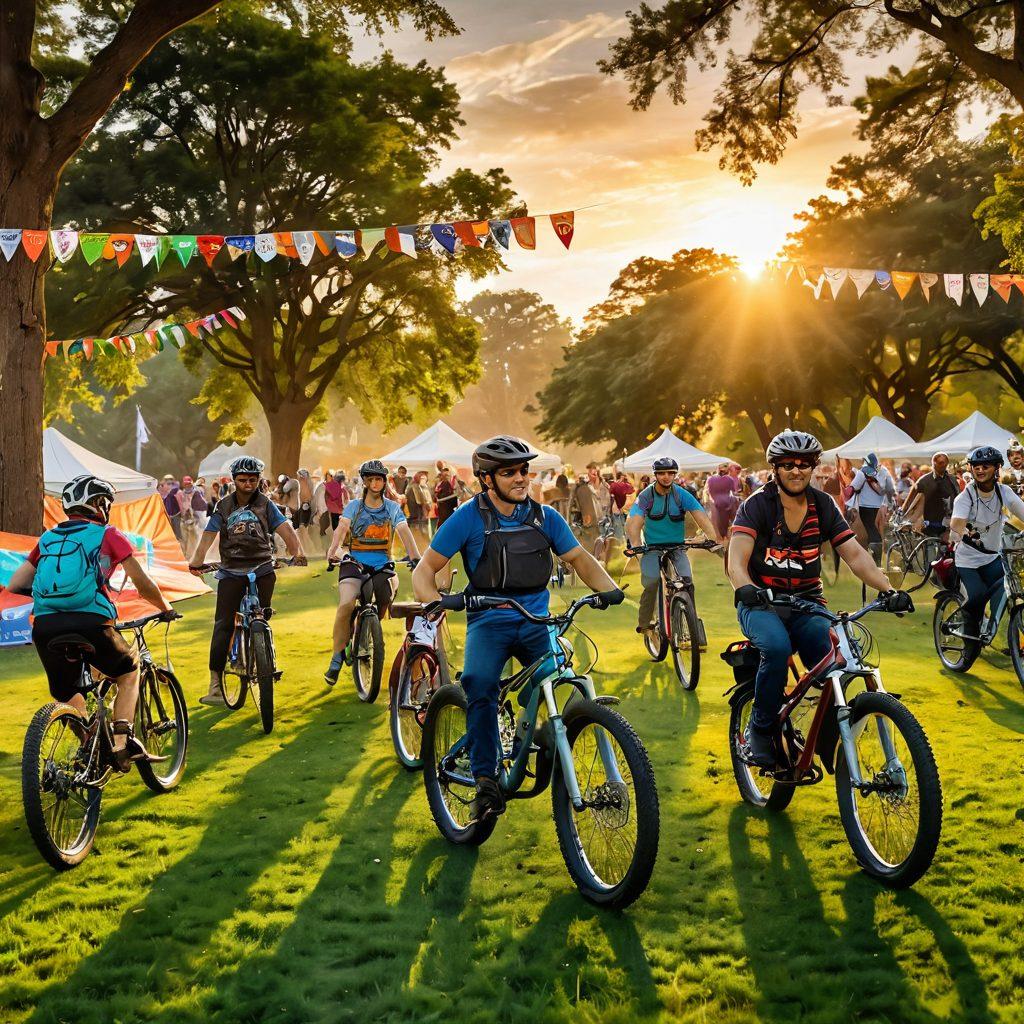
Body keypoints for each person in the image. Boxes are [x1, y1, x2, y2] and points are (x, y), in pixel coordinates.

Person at [412, 436, 624, 824]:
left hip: (536, 621)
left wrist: (609, 589)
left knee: (558, 675)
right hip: (488, 621)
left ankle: (535, 731)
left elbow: (579, 558)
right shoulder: (467, 518)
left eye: (524, 470)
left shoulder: (545, 517)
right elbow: (423, 571)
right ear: (486, 479)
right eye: (509, 472)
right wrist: (433, 602)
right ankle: (485, 782)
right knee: (479, 684)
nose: (521, 477)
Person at [728, 431, 909, 768]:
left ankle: (823, 731)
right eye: (788, 465)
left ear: (813, 467)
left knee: (836, 659)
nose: (796, 471)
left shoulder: (823, 505)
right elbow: (736, 562)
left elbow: (854, 553)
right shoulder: (756, 505)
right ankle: (760, 731)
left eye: (804, 464)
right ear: (775, 468)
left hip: (807, 603)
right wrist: (746, 588)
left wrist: (888, 590)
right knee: (777, 649)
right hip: (761, 603)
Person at [5, 475, 174, 770]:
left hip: (45, 626)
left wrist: (54, 598)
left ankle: (88, 744)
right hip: (92, 621)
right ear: (98, 504)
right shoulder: (108, 534)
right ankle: (121, 744)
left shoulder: (48, 538)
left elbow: (16, 584)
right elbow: (143, 582)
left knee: (67, 691)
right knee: (128, 671)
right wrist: (165, 607)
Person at [188, 456, 307, 707]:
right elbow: (209, 535)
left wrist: (298, 552)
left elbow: (285, 528)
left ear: (259, 480)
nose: (248, 484)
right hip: (231, 570)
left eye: (253, 480)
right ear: (234, 480)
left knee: (263, 613)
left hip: (262, 567)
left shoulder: (266, 504)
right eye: (243, 480)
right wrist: (196, 561)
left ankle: (263, 651)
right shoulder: (224, 506)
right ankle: (215, 685)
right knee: (223, 624)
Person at [323, 459, 421, 685]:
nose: (375, 483)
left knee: (386, 595)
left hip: (383, 564)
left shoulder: (392, 508)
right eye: (371, 479)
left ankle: (371, 628)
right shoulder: (354, 506)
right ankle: (337, 655)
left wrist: (415, 556)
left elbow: (403, 530)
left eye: (379, 479)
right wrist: (333, 549)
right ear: (365, 482)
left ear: (385, 482)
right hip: (354, 562)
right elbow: (342, 527)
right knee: (346, 603)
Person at [625, 456, 722, 648]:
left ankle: (691, 625)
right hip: (651, 548)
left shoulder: (682, 495)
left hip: (677, 547)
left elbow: (701, 516)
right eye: (662, 473)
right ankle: (646, 624)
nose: (667, 477)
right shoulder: (646, 496)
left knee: (687, 582)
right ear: (655, 475)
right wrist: (636, 547)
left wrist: (712, 538)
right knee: (652, 582)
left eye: (671, 473)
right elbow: (634, 523)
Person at [948, 445, 1024, 640]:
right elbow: (956, 523)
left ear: (997, 468)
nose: (980, 470)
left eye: (985, 466)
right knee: (977, 596)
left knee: (1007, 589)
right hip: (968, 561)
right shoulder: (966, 496)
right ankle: (969, 640)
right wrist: (965, 533)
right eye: (976, 467)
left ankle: (999, 633)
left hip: (992, 557)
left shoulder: (1003, 491)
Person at [848, 452, 895, 563]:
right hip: (881, 507)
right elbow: (891, 489)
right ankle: (877, 559)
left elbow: (854, 487)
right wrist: (890, 505)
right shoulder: (884, 471)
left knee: (871, 531)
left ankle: (875, 562)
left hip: (865, 506)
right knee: (878, 531)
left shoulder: (862, 472)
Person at [903, 452, 959, 539]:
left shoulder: (952, 480)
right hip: (929, 525)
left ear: (947, 463)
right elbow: (910, 500)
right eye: (939, 463)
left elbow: (958, 499)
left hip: (948, 525)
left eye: (944, 462)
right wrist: (904, 515)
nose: (942, 465)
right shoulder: (924, 481)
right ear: (933, 464)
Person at [176, 475, 209, 557]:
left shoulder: (196, 492)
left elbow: (202, 507)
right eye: (186, 484)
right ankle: (185, 557)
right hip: (184, 520)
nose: (187, 485)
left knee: (194, 540)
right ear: (183, 484)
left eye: (189, 484)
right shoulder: (181, 493)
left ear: (191, 483)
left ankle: (192, 557)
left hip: (195, 521)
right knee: (184, 540)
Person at [707, 462, 741, 539]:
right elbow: (733, 490)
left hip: (715, 501)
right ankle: (733, 534)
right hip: (728, 500)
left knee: (715, 519)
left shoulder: (711, 479)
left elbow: (709, 491)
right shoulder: (729, 479)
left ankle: (719, 535)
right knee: (734, 517)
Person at [608, 470, 635, 542]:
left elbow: (611, 496)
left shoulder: (613, 485)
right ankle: (625, 541)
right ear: (622, 477)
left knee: (619, 529)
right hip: (623, 510)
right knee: (624, 527)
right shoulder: (626, 485)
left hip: (617, 510)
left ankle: (621, 542)